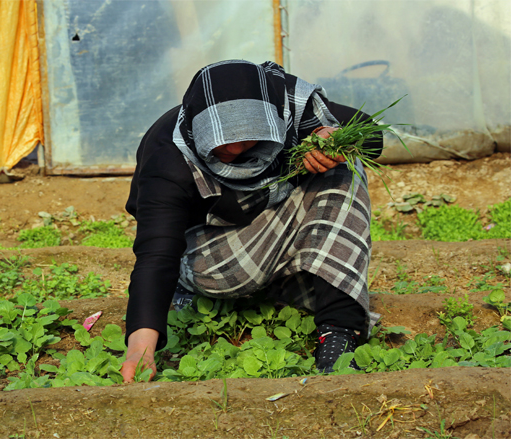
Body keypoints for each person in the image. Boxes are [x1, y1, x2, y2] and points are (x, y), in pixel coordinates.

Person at [119, 60, 383, 382]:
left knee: (345, 168)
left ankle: (339, 332)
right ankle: (188, 288)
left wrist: (334, 139)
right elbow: (156, 255)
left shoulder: (290, 106)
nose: (232, 148)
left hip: (269, 232)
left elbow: (371, 133)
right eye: (220, 139)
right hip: (214, 260)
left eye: (248, 137)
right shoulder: (169, 156)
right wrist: (140, 347)